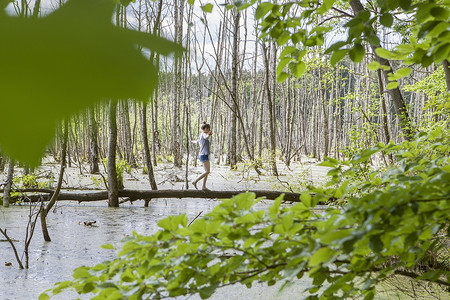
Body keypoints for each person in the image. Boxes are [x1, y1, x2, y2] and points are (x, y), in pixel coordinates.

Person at [192, 121, 212, 191]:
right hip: (204, 155)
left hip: (202, 154)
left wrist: (193, 141)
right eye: (208, 128)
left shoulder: (201, 135)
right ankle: (195, 181)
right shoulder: (204, 134)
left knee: (206, 171)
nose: (209, 130)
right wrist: (209, 135)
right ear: (206, 128)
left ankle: (204, 186)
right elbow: (206, 137)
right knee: (207, 171)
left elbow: (197, 142)